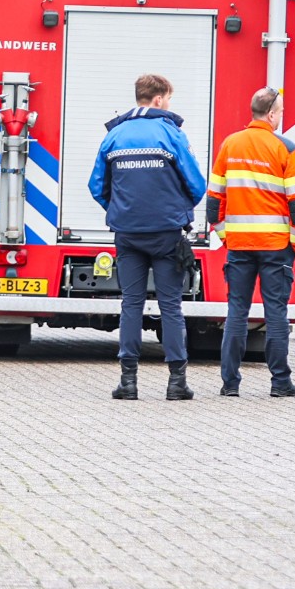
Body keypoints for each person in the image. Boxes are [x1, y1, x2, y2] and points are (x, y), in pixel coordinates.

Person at [89, 73, 207, 400]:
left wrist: (119, 208)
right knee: (170, 305)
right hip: (167, 233)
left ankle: (128, 382)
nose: (169, 104)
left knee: (131, 304)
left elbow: (96, 186)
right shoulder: (172, 135)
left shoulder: (115, 135)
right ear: (158, 99)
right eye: (168, 98)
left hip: (127, 233)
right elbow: (197, 185)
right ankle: (176, 383)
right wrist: (177, 209)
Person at [206, 87, 295, 398]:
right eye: (279, 112)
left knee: (236, 311)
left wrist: (227, 235)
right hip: (275, 245)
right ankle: (280, 383)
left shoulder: (229, 145)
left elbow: (214, 202)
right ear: (271, 115)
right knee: (275, 312)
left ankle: (230, 384)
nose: (280, 117)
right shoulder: (286, 148)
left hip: (239, 246)